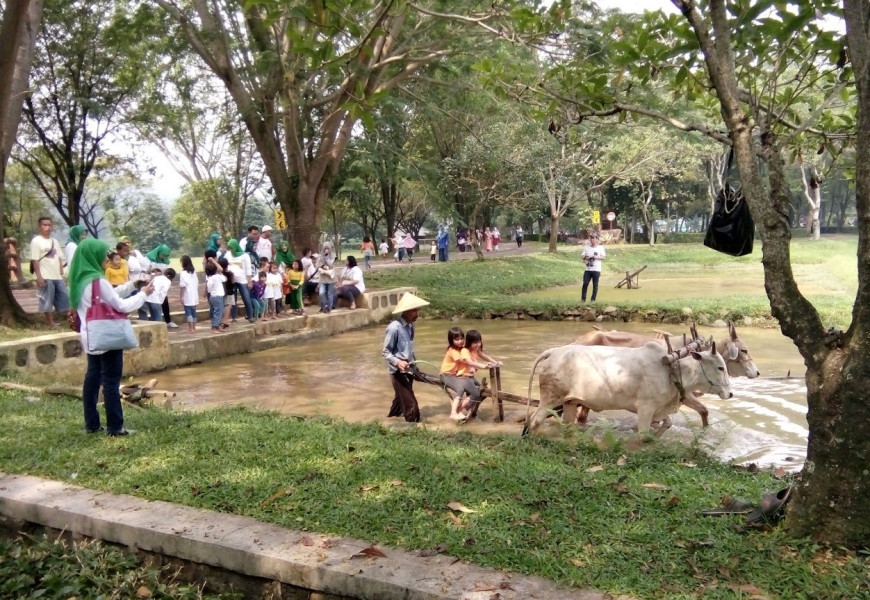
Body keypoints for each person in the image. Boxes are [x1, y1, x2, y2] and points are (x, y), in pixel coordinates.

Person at [69, 237, 154, 436]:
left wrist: (132, 285)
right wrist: (143, 294)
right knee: (110, 381)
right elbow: (121, 305)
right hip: (108, 337)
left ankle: (92, 424)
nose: (105, 259)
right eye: (102, 255)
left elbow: (109, 295)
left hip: (91, 337)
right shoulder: (97, 280)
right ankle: (116, 427)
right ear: (93, 256)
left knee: (92, 379)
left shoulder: (79, 280)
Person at [383, 292, 430, 422]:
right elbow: (386, 352)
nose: (417, 314)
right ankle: (412, 428)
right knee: (412, 408)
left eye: (417, 310)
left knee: (400, 400)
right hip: (398, 372)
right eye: (414, 310)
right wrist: (398, 362)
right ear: (406, 311)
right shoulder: (394, 328)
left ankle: (389, 421)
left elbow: (408, 350)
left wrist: (414, 365)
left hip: (409, 369)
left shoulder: (410, 327)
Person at [439, 327, 492, 421]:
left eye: (461, 338)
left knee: (480, 389)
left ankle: (470, 405)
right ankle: (455, 412)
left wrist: (494, 362)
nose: (460, 341)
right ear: (451, 340)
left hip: (456, 374)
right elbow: (468, 361)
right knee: (460, 390)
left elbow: (480, 356)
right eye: (456, 339)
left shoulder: (463, 349)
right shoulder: (454, 351)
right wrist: (483, 366)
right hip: (447, 374)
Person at [29, 216, 68, 327]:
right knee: (47, 299)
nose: (47, 227)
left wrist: (62, 274)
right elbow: (35, 260)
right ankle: (50, 322)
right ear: (39, 227)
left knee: (64, 296)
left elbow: (59, 258)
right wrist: (39, 276)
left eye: (49, 225)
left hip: (57, 275)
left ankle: (67, 317)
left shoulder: (54, 241)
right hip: (45, 275)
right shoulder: (36, 241)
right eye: (44, 225)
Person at [227, 239, 256, 323]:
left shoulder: (244, 256)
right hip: (231, 280)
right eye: (229, 248)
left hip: (242, 280)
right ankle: (234, 317)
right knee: (232, 299)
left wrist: (249, 281)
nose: (231, 250)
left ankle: (250, 316)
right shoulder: (228, 254)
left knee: (246, 298)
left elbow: (248, 269)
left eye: (232, 248)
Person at [581, 232, 606, 302]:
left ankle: (593, 299)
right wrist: (587, 257)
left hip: (596, 269)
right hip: (588, 269)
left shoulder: (600, 248)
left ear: (597, 239)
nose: (592, 240)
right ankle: (583, 299)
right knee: (585, 284)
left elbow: (604, 257)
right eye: (591, 238)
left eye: (593, 238)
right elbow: (582, 256)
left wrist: (596, 257)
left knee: (595, 285)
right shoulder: (586, 248)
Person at [204, 257, 226, 333]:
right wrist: (214, 261)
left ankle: (217, 325)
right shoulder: (217, 277)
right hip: (218, 297)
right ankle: (214, 327)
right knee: (219, 312)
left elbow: (208, 288)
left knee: (215, 311)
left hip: (212, 297)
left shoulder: (209, 278)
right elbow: (221, 269)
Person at [179, 255, 199, 333]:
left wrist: (181, 296)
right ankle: (194, 327)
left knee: (188, 312)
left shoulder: (183, 273)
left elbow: (183, 286)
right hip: (194, 294)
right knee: (194, 311)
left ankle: (191, 328)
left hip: (187, 295)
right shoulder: (193, 273)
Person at [315, 241, 337, 313]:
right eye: (325, 248)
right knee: (321, 293)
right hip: (323, 278)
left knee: (330, 294)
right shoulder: (320, 256)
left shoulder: (333, 255)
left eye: (328, 248)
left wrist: (326, 257)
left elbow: (330, 264)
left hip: (330, 277)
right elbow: (317, 265)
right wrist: (322, 265)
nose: (326, 249)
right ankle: (323, 306)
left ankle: (329, 308)